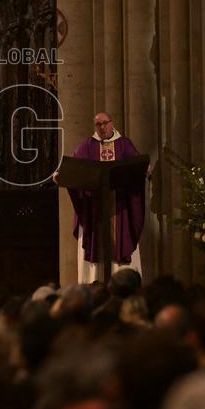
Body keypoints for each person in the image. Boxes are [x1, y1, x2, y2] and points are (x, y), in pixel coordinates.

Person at [52, 113, 145, 282]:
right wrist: (60, 174)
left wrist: (145, 169)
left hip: (119, 208)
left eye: (104, 123)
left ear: (112, 123)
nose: (102, 127)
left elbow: (137, 164)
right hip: (95, 209)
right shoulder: (87, 145)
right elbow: (74, 165)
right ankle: (94, 284)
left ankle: (123, 283)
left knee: (119, 242)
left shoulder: (124, 144)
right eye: (98, 124)